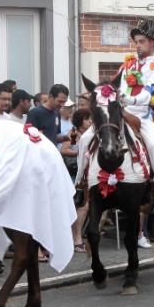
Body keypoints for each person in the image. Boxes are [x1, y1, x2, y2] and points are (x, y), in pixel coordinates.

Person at [76, 18, 154, 210]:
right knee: (85, 139)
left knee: (152, 145)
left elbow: (148, 94)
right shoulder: (127, 65)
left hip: (141, 115)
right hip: (119, 112)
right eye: (136, 42)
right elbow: (115, 86)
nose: (138, 45)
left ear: (152, 43)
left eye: (142, 41)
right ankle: (79, 184)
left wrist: (129, 100)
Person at [63, 108, 93, 253]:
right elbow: (64, 149)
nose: (90, 121)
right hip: (74, 173)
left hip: (87, 173)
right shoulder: (74, 133)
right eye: (87, 119)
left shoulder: (92, 134)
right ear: (81, 121)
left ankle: (76, 237)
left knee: (84, 206)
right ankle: (75, 238)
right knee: (76, 205)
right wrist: (80, 152)